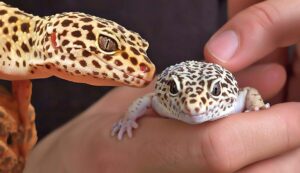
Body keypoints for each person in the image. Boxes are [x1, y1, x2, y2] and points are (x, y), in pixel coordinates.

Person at [23, 0, 300, 172]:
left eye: (212, 94)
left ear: (224, 92)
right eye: (180, 94)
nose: (193, 106)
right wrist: (127, 121)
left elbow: (250, 93)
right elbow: (144, 102)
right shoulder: (160, 101)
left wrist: (256, 106)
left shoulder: (235, 97)